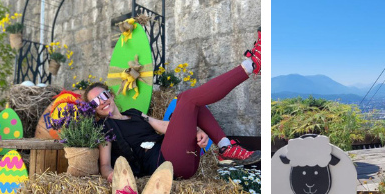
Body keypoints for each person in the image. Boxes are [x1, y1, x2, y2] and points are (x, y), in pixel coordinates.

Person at [84, 30, 262, 181]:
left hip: (183, 159)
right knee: (188, 99)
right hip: (163, 165)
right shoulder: (104, 128)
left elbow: (163, 126)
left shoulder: (134, 113)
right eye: (95, 102)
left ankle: (225, 147)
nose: (102, 102)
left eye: (103, 96)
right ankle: (252, 64)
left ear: (111, 94)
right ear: (93, 108)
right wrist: (112, 176)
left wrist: (193, 130)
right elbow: (105, 165)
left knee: (191, 102)